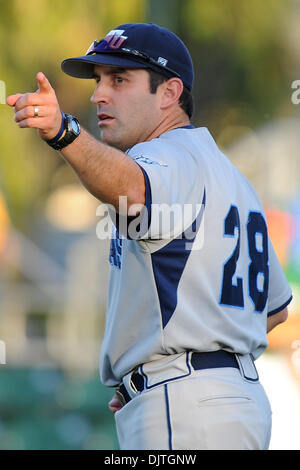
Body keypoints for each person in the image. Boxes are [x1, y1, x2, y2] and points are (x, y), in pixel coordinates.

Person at [7, 23, 292, 450]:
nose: (98, 94)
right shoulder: (231, 177)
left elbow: (134, 188)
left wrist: (63, 132)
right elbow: (274, 310)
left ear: (170, 92)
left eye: (119, 79)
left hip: (186, 404)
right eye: (99, 80)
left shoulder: (166, 155)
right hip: (238, 402)